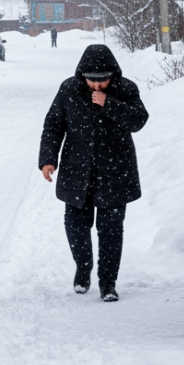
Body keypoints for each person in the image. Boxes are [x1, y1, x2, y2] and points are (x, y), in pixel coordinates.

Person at [39, 44, 149, 301]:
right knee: (76, 225)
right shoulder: (69, 89)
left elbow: (138, 120)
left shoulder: (126, 89)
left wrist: (109, 103)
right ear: (82, 75)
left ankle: (108, 282)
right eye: (92, 81)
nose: (97, 86)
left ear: (113, 76)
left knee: (111, 230)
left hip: (115, 171)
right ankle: (84, 266)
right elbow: (54, 124)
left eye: (103, 81)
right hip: (78, 171)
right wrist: (47, 159)